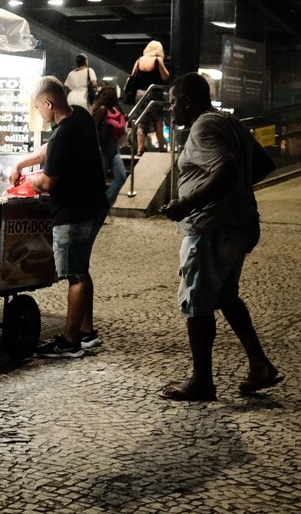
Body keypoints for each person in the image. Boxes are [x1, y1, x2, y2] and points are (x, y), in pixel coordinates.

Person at [157, 72, 282, 401]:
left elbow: (225, 170)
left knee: (197, 303)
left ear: (186, 101)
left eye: (173, 103)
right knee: (225, 296)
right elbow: (263, 163)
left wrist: (187, 203)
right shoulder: (230, 122)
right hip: (238, 225)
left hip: (212, 229)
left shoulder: (202, 127)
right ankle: (260, 365)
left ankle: (202, 382)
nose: (171, 110)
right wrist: (236, 195)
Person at [8, 76, 109, 358]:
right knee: (82, 269)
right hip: (94, 206)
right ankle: (86, 333)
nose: (39, 113)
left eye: (39, 108)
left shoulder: (65, 132)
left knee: (74, 275)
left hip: (74, 212)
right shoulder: (80, 117)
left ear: (49, 103)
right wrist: (22, 163)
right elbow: (50, 149)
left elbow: (49, 183)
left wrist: (31, 182)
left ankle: (69, 341)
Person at [90, 85, 128, 218]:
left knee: (121, 176)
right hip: (103, 149)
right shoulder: (102, 110)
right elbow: (94, 128)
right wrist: (97, 145)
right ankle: (98, 209)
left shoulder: (115, 110)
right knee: (100, 180)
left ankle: (104, 205)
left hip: (112, 147)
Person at [129, 41, 170, 155]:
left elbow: (133, 76)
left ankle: (140, 148)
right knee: (158, 119)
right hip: (154, 93)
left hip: (140, 94)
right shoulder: (157, 60)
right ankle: (162, 146)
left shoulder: (139, 61)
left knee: (142, 121)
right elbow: (165, 76)